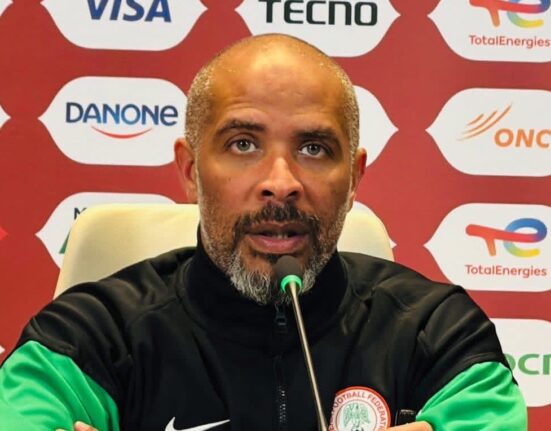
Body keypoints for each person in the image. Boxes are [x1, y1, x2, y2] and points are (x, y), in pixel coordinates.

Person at [0, 34, 526, 431]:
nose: (281, 182)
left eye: (314, 148)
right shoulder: (82, 339)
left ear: (354, 178)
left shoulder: (442, 336)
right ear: (190, 171)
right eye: (244, 144)